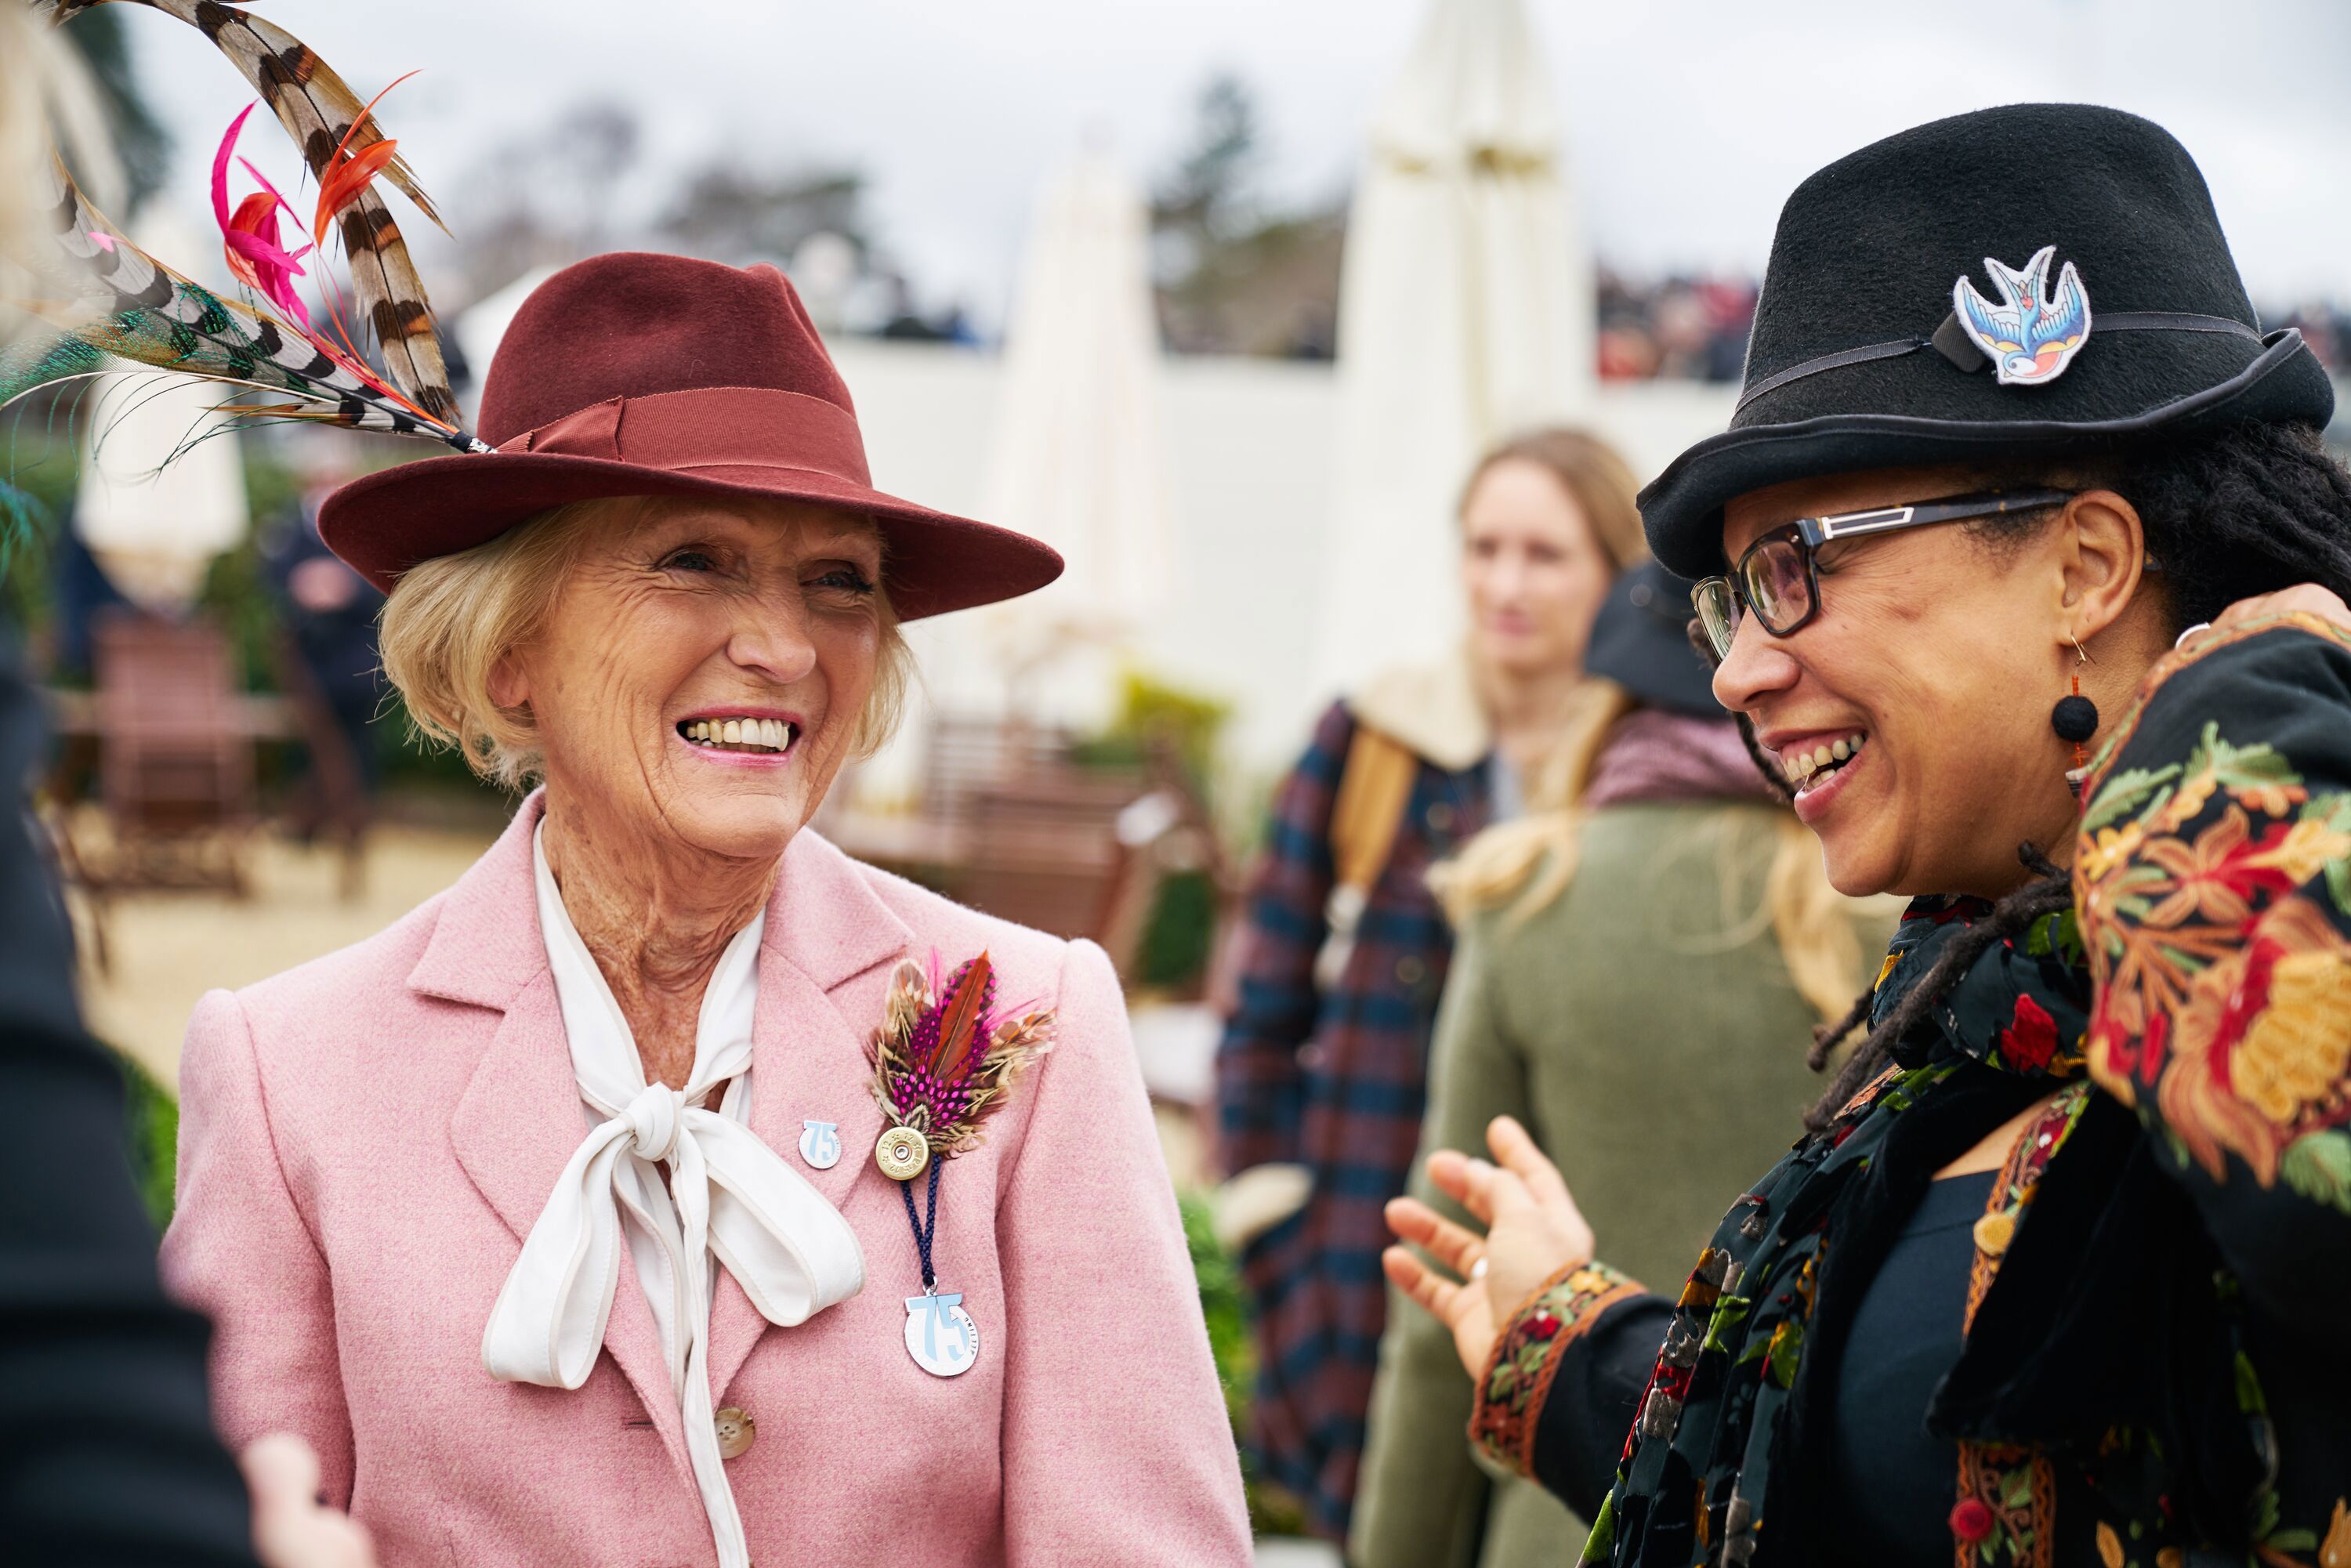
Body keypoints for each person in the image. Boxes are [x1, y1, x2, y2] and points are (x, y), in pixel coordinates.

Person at [160, 253, 1251, 1568]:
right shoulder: (290, 1077)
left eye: (840, 581)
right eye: (694, 561)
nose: (786, 646)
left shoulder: (1035, 1019)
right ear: (510, 653)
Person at [1388, 103, 2351, 1566]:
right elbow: (1886, 1474)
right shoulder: (1984, 1009)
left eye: (1794, 570)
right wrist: (1570, 1352)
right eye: (1731, 599)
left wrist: (2232, 720)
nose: (1734, 669)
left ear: (2084, 565)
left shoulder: (2279, 847)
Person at [1351, 561, 1888, 1568]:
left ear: (1602, 701)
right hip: (1798, 1511)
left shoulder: (1526, 895)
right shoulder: (1885, 917)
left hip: (1560, 1516)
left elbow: (1452, 1285)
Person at [1216, 429, 1647, 1537]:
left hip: (1576, 1261)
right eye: (1484, 546)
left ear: (1616, 567)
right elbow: (1261, 1012)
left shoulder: (1653, 772)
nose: (1505, 583)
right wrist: (1270, 1226)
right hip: (1363, 1254)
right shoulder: (1373, 739)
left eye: (1545, 554)